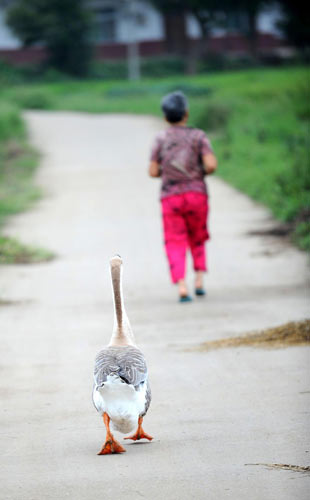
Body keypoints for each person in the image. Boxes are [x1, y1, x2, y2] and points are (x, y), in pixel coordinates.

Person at [148, 91, 217, 302]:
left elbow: (152, 171)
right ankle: (199, 281)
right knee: (197, 236)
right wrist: (198, 173)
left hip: (170, 198)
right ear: (186, 114)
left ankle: (182, 287)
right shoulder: (199, 136)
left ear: (165, 117)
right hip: (197, 195)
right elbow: (211, 165)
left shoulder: (160, 139)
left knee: (174, 240)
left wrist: (166, 173)